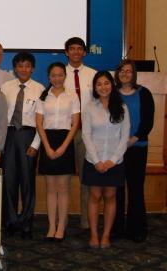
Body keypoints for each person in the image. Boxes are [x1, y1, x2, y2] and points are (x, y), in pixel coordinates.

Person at [82, 71, 130, 249]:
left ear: (112, 84)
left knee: (110, 196)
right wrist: (96, 161)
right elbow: (86, 135)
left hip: (114, 161)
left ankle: (106, 235)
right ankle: (94, 234)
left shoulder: (122, 107)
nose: (103, 87)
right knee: (94, 196)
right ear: (95, 88)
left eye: (106, 83)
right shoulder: (89, 107)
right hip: (94, 160)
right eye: (99, 84)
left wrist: (112, 160)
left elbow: (124, 137)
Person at [0, 51, 44, 239]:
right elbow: (1, 118)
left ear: (32, 68)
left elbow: (43, 121)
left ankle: (26, 223)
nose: (23, 69)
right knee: (8, 181)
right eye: (20, 65)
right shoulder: (5, 87)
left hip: (29, 135)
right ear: (15, 68)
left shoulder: (40, 89)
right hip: (9, 135)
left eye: (27, 65)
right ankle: (10, 221)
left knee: (27, 182)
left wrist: (36, 144)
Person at [36, 62, 80, 242]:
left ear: (65, 76)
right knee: (50, 188)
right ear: (49, 77)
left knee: (63, 188)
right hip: (47, 140)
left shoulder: (72, 96)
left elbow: (75, 123)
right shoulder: (43, 96)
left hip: (66, 141)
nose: (57, 78)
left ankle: (61, 226)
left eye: (60, 75)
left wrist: (63, 147)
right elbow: (39, 123)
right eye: (53, 75)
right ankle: (51, 226)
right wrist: (46, 147)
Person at [112, 59, 154, 243]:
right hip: (115, 149)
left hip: (137, 148)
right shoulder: (112, 94)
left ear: (134, 73)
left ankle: (137, 228)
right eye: (121, 70)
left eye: (128, 71)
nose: (125, 74)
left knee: (136, 189)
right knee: (117, 190)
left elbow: (148, 121)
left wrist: (134, 138)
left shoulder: (144, 93)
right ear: (117, 73)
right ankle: (117, 228)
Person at [63, 37, 97, 230]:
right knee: (64, 178)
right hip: (65, 132)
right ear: (66, 52)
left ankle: (86, 221)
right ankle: (63, 219)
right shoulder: (59, 74)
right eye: (72, 49)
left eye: (79, 49)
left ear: (84, 52)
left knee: (87, 178)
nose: (76, 52)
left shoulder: (93, 75)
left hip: (87, 133)